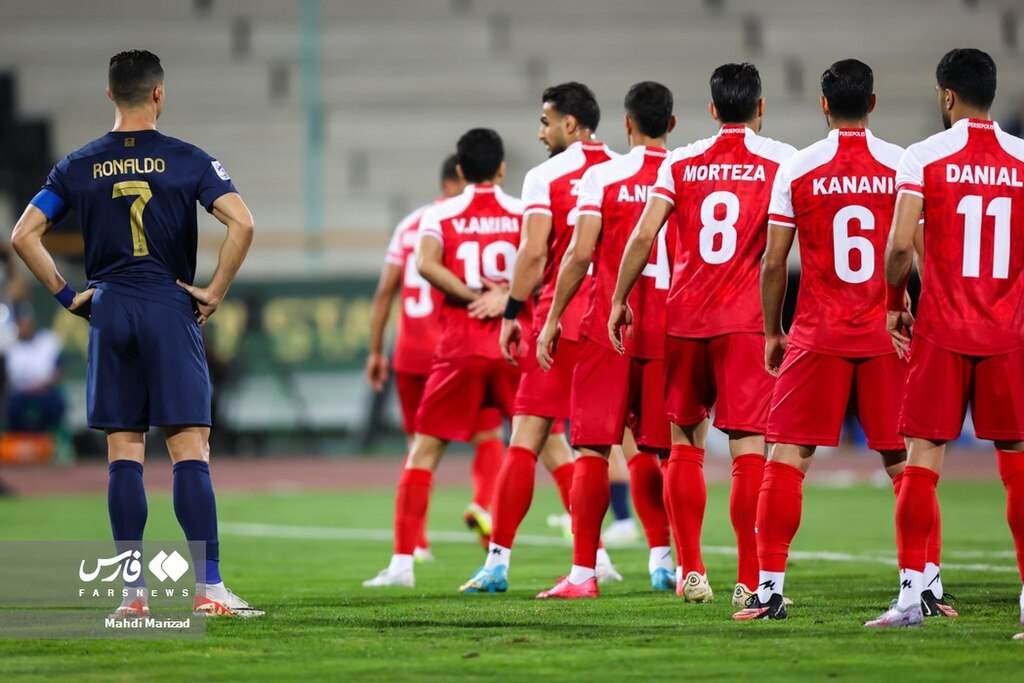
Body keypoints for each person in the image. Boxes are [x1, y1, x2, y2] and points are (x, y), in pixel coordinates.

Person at [10, 50, 260, 617]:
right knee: (189, 448)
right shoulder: (187, 159)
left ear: (109, 95)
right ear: (158, 94)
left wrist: (68, 297)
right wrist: (215, 290)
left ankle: (132, 596)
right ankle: (209, 590)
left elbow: (24, 235)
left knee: (123, 451)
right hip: (169, 305)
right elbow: (242, 221)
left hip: (111, 308)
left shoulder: (77, 165)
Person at [735, 59, 946, 621]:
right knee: (907, 463)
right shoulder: (902, 163)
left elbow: (774, 262)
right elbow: (920, 252)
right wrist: (918, 316)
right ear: (872, 103)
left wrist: (774, 330)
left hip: (817, 332)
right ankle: (924, 585)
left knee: (788, 457)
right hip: (886, 332)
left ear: (824, 105)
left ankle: (770, 591)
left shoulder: (798, 168)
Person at [612, 63, 796, 605]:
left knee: (684, 445)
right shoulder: (783, 161)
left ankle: (690, 569)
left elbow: (645, 234)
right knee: (748, 449)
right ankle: (746, 580)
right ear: (760, 107)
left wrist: (620, 299)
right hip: (744, 324)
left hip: (685, 320)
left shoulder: (679, 160)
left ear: (713, 110)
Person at [869, 49, 1024, 635]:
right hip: (1008, 331)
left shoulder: (924, 156)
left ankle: (912, 597)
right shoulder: (1022, 158)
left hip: (941, 329)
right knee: (1016, 469)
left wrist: (893, 305)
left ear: (946, 96)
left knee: (921, 464)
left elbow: (900, 246)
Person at [460, 82, 622, 593]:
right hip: (615, 325)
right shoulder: (625, 168)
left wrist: (513, 312)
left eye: (546, 121)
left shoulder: (546, 176)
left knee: (525, 441)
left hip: (560, 322)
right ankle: (662, 563)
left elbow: (532, 255)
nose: (540, 131)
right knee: (628, 448)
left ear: (570, 124)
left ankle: (497, 564)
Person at [363, 128, 529, 588]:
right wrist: (508, 299)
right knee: (544, 446)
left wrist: (471, 293)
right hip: (511, 341)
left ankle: (402, 562)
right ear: (501, 168)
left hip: (450, 347)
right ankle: (589, 559)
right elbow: (544, 262)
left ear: (458, 170)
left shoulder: (432, 216)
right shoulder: (523, 210)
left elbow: (420, 268)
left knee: (422, 451)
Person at [534, 82, 677, 599]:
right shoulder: (686, 171)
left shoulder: (603, 176)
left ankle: (582, 575)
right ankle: (674, 564)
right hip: (669, 329)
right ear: (673, 123)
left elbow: (578, 256)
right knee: (671, 453)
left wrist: (551, 319)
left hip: (606, 328)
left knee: (592, 448)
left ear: (627, 124)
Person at [4, 304, 66, 433]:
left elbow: (59, 371)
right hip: (19, 393)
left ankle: (48, 438)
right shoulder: (10, 346)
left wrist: (44, 384)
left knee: (55, 404)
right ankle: (16, 439)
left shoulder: (48, 341)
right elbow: (7, 377)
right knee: (10, 407)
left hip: (46, 390)